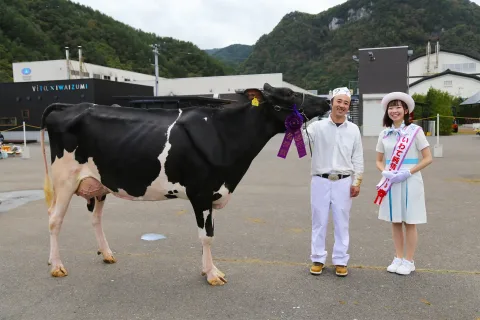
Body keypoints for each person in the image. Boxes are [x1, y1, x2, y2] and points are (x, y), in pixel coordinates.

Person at [302, 87, 364, 277]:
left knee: (341, 221)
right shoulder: (317, 126)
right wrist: (297, 123)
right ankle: (318, 258)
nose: (342, 106)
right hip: (320, 180)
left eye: (346, 103)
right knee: (319, 221)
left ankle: (340, 260)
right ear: (332, 102)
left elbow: (358, 157)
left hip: (343, 181)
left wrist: (357, 181)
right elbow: (300, 140)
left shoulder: (353, 130)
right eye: (339, 101)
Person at [374, 92, 432, 275]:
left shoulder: (415, 131)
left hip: (411, 179)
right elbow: (378, 160)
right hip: (392, 180)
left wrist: (408, 171)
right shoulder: (384, 133)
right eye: (391, 107)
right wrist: (385, 172)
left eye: (398, 107)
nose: (394, 110)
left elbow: (428, 158)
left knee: (410, 220)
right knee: (396, 221)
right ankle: (398, 257)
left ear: (406, 110)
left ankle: (409, 260)